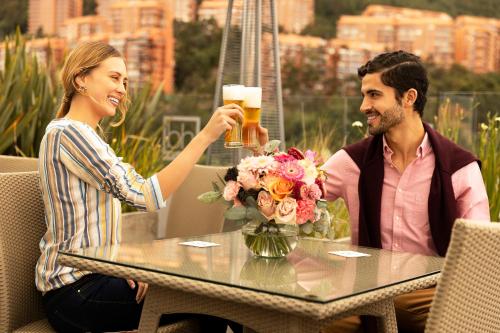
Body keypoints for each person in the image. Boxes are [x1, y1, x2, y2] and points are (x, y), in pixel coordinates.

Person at [36, 41, 268, 332]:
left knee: (217, 295)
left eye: (125, 81)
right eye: (114, 77)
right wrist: (205, 136)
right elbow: (145, 196)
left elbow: (94, 228)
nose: (122, 88)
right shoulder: (68, 134)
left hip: (98, 277)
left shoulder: (85, 136)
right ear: (81, 79)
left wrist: (126, 268)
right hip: (75, 293)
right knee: (213, 296)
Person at [320, 50, 490, 333]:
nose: (364, 106)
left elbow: (478, 252)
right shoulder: (352, 161)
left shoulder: (459, 168)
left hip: (430, 295)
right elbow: (298, 193)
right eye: (363, 95)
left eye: (374, 95)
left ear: (409, 98)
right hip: (365, 293)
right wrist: (261, 160)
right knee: (308, 322)